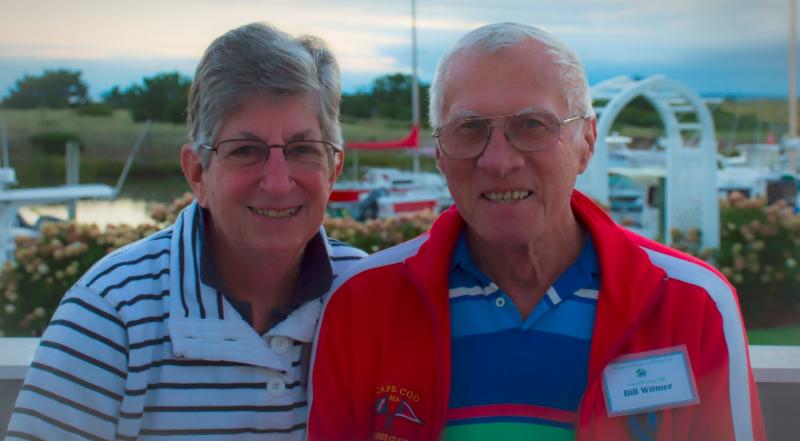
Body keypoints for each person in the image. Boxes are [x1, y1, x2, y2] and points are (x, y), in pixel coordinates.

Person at [308, 22, 765, 441]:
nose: (499, 161)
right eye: (470, 128)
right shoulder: (362, 305)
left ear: (586, 143)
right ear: (441, 155)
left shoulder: (691, 304)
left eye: (532, 125)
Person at [6, 22, 365, 440]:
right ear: (198, 172)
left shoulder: (367, 295)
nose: (278, 181)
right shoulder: (112, 311)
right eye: (245, 151)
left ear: (334, 169)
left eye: (303, 149)